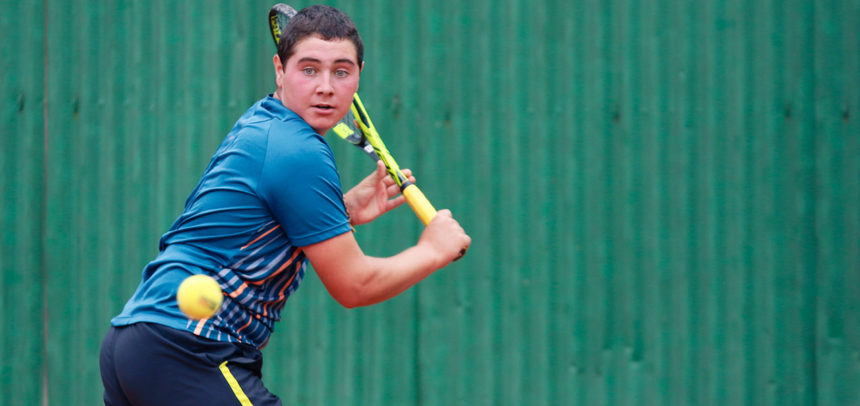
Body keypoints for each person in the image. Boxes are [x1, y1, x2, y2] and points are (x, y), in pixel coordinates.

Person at [99, 5, 470, 405]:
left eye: (341, 72)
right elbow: (354, 285)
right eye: (309, 69)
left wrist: (342, 211)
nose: (325, 86)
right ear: (280, 69)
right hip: (189, 347)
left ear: (359, 75)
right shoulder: (298, 151)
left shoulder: (264, 122)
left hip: (136, 342)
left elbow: (247, 226)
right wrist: (432, 250)